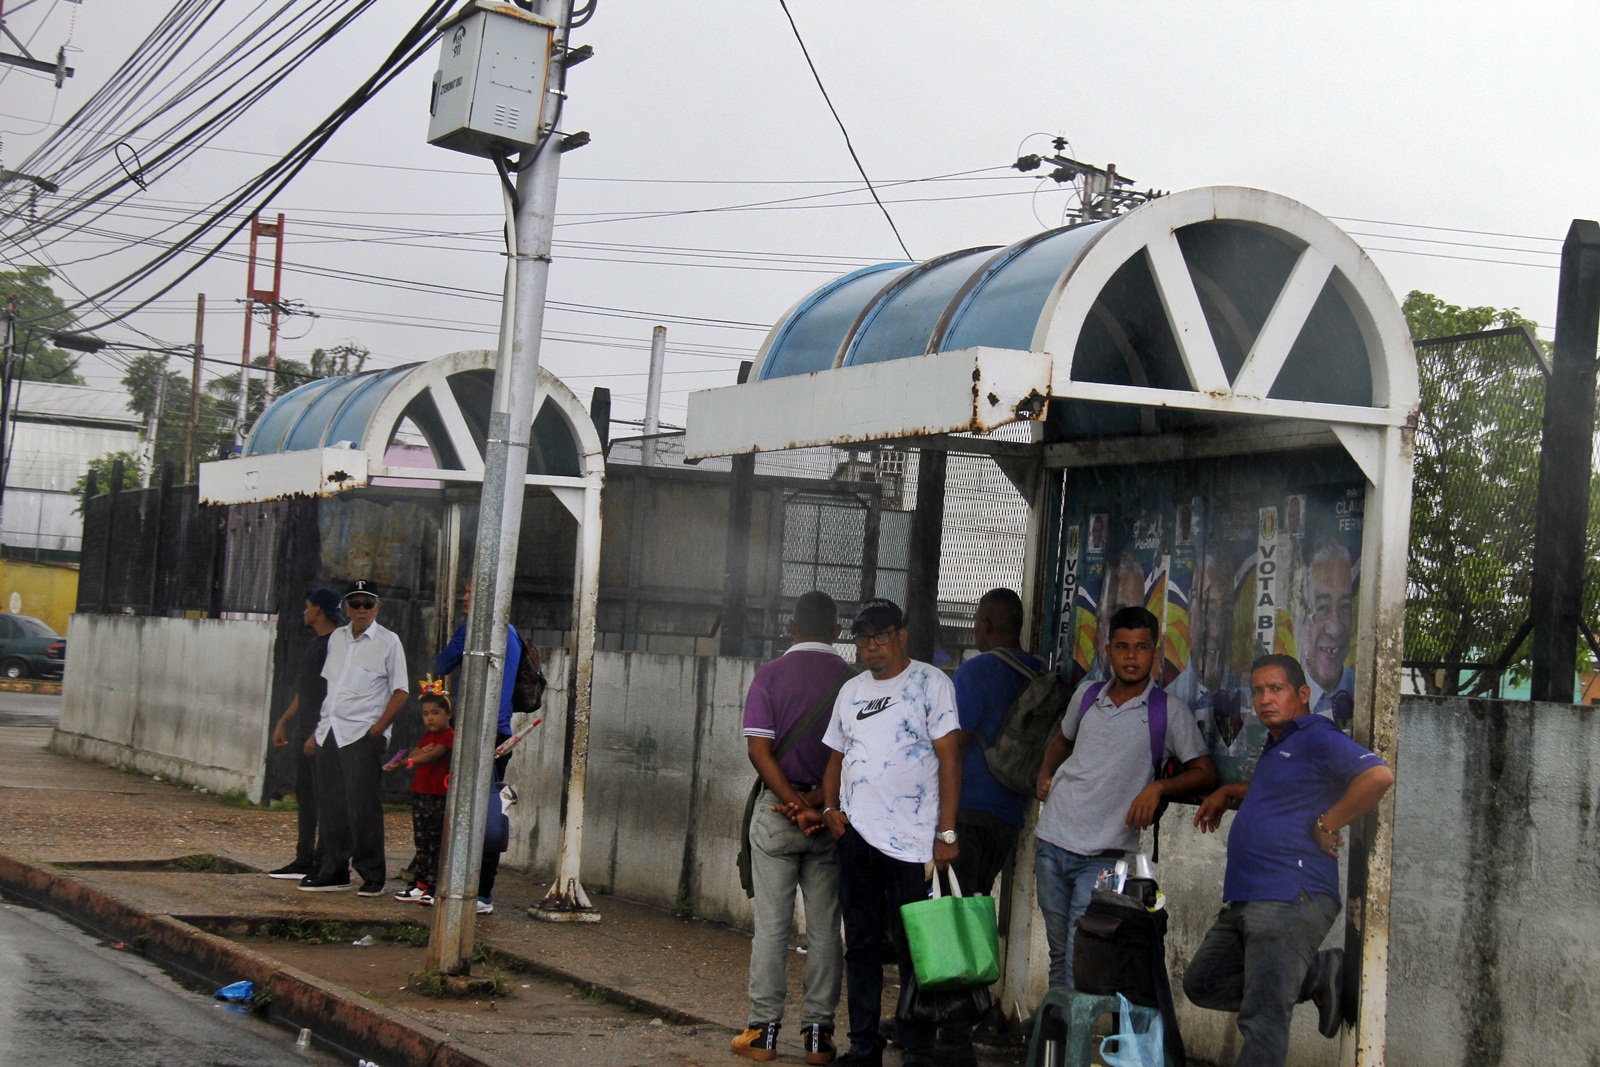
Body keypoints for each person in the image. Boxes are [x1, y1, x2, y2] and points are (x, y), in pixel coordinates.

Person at [1183, 654, 1395, 1067]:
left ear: (1302, 695)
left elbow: (1378, 777)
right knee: (1202, 983)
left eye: (1275, 689)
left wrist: (1328, 822)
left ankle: (1306, 977)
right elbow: (1280, 791)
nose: (1265, 699)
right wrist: (1228, 793)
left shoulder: (1314, 734)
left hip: (1289, 896)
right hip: (1249, 896)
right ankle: (1315, 975)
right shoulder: (1281, 743)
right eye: (1258, 691)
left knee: (1263, 1019)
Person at [1033, 605, 1216, 989]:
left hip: (1104, 855)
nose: (1131, 657)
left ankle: (1065, 1035)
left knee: (1079, 947)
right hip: (1053, 839)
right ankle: (1054, 1029)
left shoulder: (1168, 711)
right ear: (1108, 651)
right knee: (1058, 950)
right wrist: (1045, 774)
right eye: (1122, 647)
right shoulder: (1087, 696)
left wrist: (1159, 786)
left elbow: (1204, 772)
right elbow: (1061, 741)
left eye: (1141, 647)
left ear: (1155, 651)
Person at [819, 597, 962, 1067]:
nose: (871, 646)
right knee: (860, 944)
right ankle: (864, 1046)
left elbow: (949, 760)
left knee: (913, 946)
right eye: (863, 638)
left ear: (902, 635)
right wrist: (830, 809)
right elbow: (835, 758)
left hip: (913, 839)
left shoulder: (931, 683)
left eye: (881, 636)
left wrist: (945, 834)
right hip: (856, 836)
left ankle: (916, 1047)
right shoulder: (852, 690)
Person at [732, 591, 852, 1066]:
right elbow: (853, 755)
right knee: (826, 931)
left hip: (778, 815)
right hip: (831, 817)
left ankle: (762, 1032)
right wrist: (818, 805)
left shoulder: (770, 675)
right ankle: (819, 1038)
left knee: (772, 929)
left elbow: (758, 751)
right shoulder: (852, 680)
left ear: (790, 627)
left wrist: (792, 803)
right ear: (839, 632)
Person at [935, 587, 1038, 1067]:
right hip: (1009, 813)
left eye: (977, 620)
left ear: (988, 624)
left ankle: (950, 1022)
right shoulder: (1039, 672)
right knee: (975, 908)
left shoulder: (977, 671)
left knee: (951, 915)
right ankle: (955, 1014)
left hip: (968, 809)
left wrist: (943, 824)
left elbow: (949, 744)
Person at [299, 579, 409, 896]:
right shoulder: (337, 639)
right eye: (356, 604)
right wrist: (317, 732)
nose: (361, 610)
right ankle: (333, 870)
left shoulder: (389, 642)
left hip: (362, 733)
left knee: (363, 807)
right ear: (346, 607)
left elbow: (401, 692)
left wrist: (377, 729)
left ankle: (372, 874)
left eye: (368, 604)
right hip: (331, 731)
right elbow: (331, 690)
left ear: (377, 607)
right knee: (331, 805)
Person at [433, 579, 523, 915]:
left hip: (479, 734)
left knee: (475, 813)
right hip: (499, 733)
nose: (465, 597)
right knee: (489, 813)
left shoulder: (476, 629)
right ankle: (480, 889)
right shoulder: (510, 631)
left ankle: (474, 890)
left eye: (472, 592)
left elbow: (442, 664)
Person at [266, 585, 342, 880]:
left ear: (318, 610)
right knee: (306, 795)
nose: (304, 611)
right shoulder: (315, 643)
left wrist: (317, 733)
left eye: (308, 605)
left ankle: (323, 861)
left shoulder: (335, 645)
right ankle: (304, 857)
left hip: (321, 730)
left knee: (324, 797)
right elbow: (306, 691)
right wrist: (284, 721)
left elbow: (334, 694)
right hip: (305, 726)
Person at [395, 690, 455, 904]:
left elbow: (433, 754)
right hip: (421, 792)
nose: (430, 718)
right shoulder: (427, 736)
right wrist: (412, 757)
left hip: (438, 795)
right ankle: (420, 883)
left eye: (435, 712)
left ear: (448, 714)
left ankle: (434, 885)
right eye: (425, 713)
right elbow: (417, 752)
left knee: (436, 841)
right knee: (421, 839)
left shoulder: (448, 736)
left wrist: (409, 761)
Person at [1298, 538, 1355, 726]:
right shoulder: (1283, 696)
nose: (1335, 629)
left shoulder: (1362, 690)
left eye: (1345, 607)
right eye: (1322, 608)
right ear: (1302, 614)